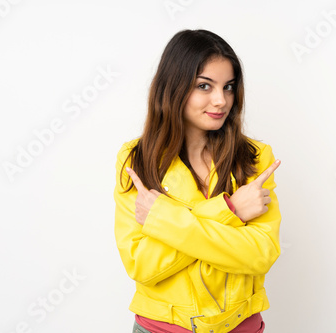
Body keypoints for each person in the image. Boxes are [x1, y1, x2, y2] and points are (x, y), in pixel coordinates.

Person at [114, 29, 282, 333]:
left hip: (240, 325)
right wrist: (229, 211)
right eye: (204, 86)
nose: (221, 100)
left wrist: (163, 220)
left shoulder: (255, 157)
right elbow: (142, 266)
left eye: (228, 87)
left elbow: (260, 254)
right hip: (161, 328)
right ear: (173, 88)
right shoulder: (136, 159)